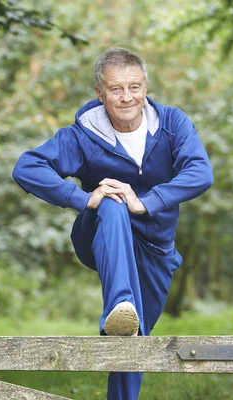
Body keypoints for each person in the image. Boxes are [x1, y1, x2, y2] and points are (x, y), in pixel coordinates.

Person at [12, 47, 213, 399]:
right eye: (116, 89)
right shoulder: (83, 136)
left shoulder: (172, 124)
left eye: (134, 87)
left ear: (146, 86)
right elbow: (27, 167)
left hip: (155, 249)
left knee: (130, 345)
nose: (126, 97)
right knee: (112, 200)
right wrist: (83, 198)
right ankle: (120, 300)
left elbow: (200, 172)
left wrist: (146, 201)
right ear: (99, 93)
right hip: (101, 236)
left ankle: (123, 320)